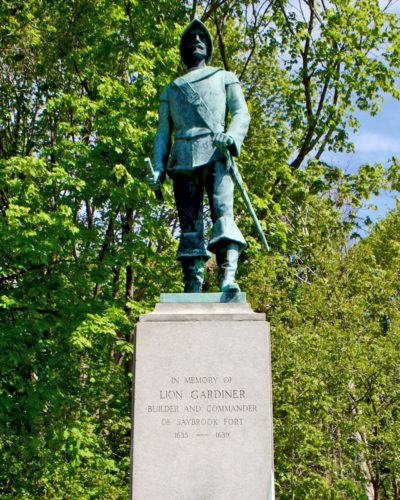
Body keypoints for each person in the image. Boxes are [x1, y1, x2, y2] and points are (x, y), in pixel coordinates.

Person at [147, 19, 250, 293]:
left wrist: (231, 137)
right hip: (182, 159)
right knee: (189, 224)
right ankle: (192, 285)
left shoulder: (224, 77)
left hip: (217, 154)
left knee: (224, 214)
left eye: (200, 36)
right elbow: (162, 133)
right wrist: (158, 165)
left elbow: (241, 114)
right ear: (183, 48)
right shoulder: (171, 89)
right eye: (190, 37)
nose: (196, 40)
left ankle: (227, 277)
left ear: (208, 45)